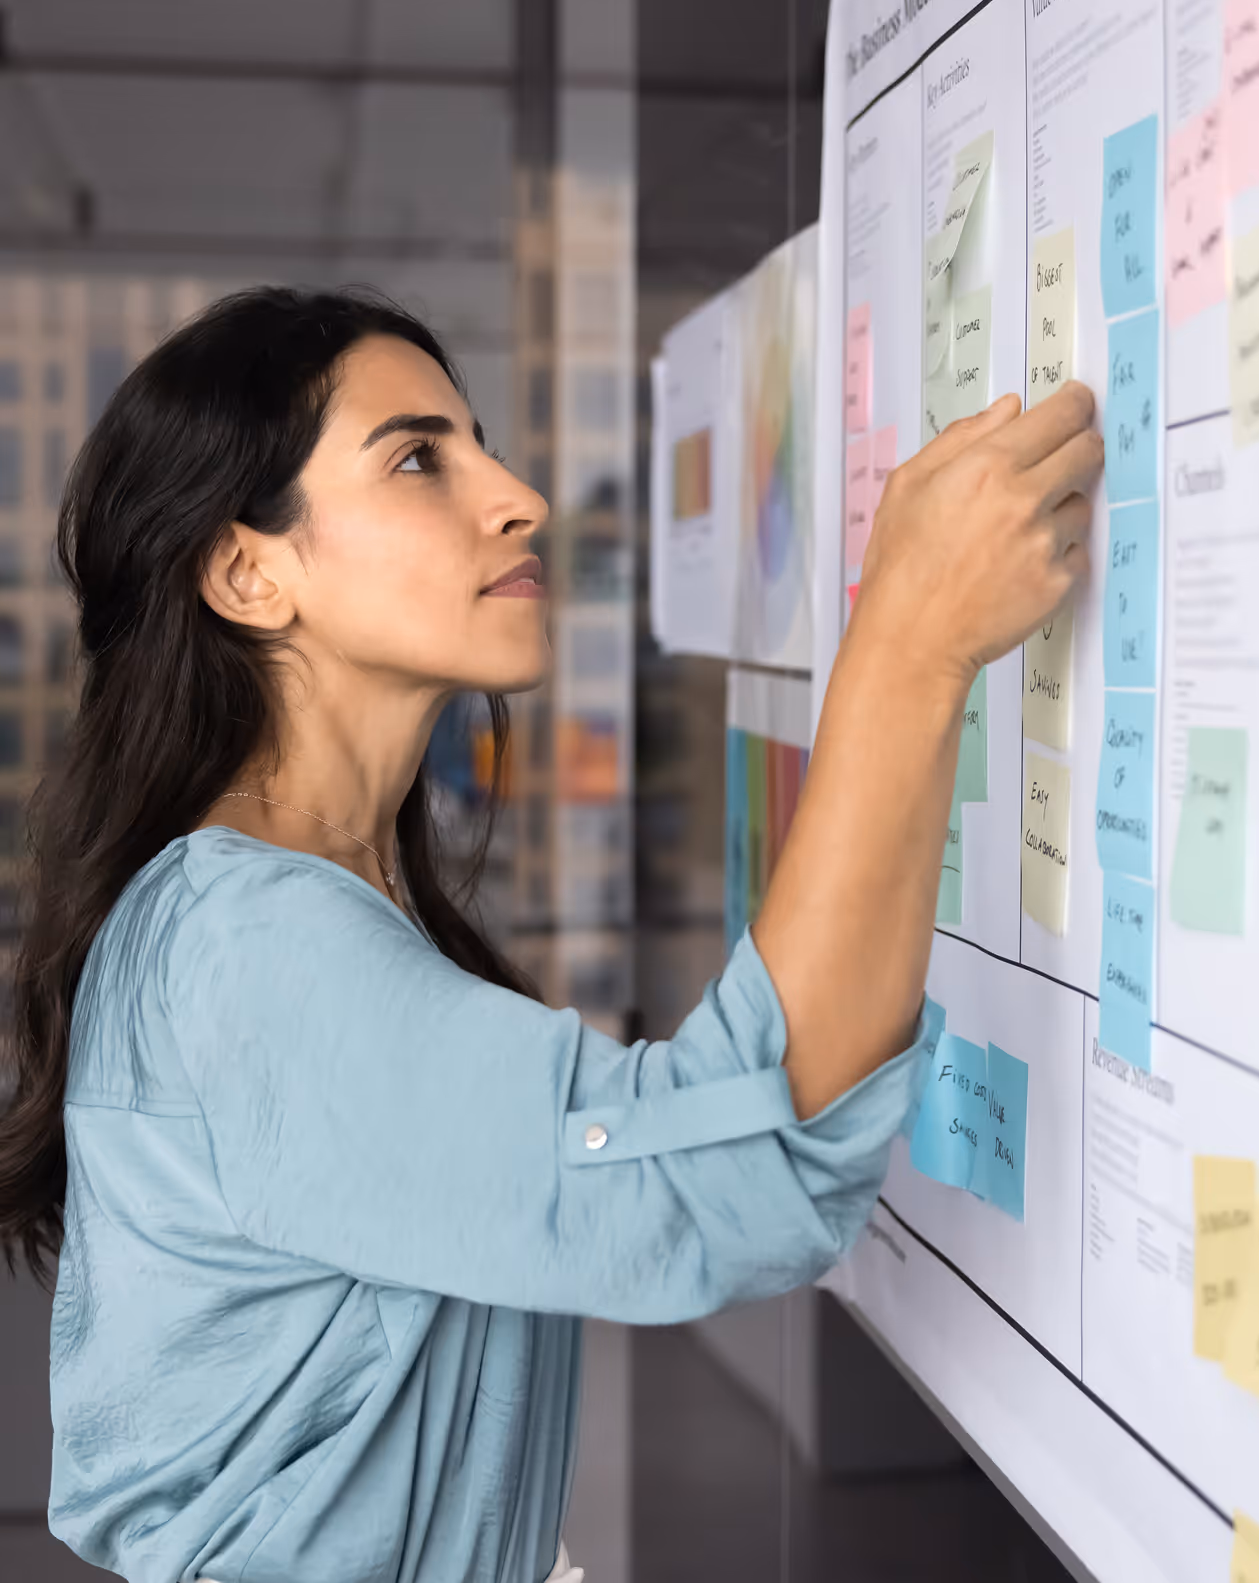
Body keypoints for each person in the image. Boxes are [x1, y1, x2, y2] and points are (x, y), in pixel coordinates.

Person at [0, 287, 1101, 1583]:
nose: (517, 496)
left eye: (481, 445)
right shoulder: (247, 948)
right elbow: (747, 1179)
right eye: (419, 461)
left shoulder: (285, 905)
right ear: (251, 572)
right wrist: (909, 643)